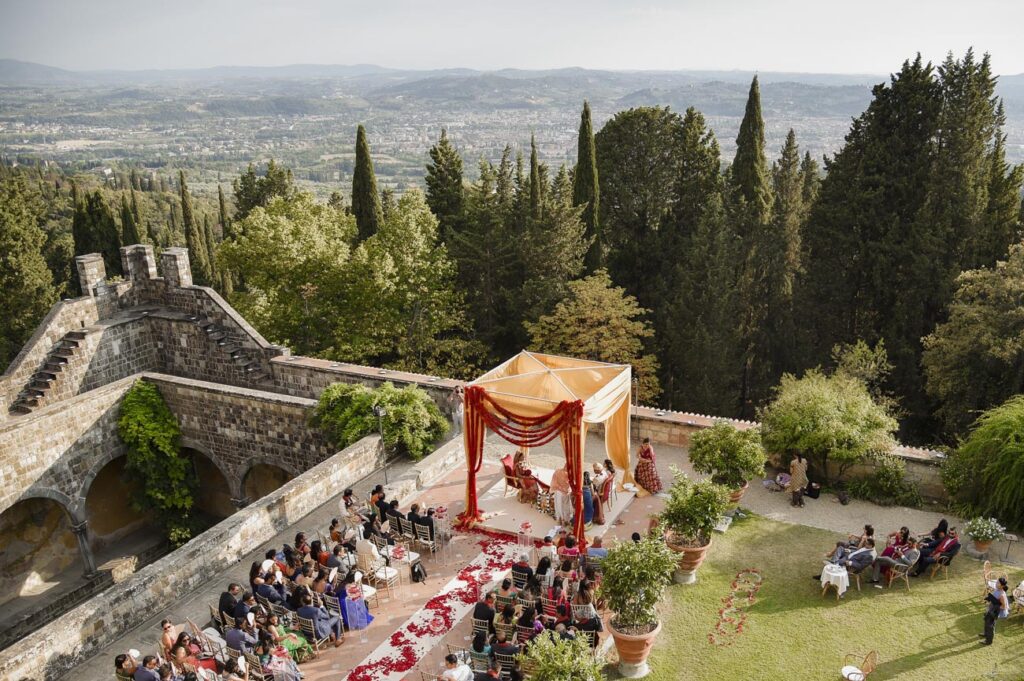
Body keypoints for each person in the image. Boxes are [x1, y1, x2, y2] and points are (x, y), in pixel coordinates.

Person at [981, 577, 1010, 645]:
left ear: (1002, 586)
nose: (996, 583)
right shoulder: (997, 589)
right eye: (997, 582)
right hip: (991, 608)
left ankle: (988, 641)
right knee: (986, 620)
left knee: (990, 625)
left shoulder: (1002, 595)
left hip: (994, 612)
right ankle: (985, 633)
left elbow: (1004, 606)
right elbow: (994, 597)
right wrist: (988, 598)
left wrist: (995, 606)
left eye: (998, 583)